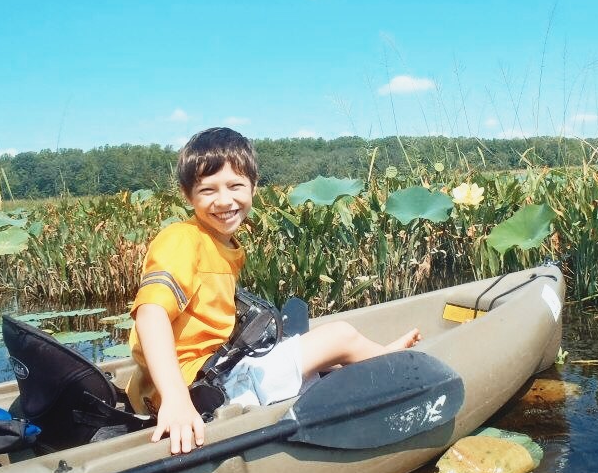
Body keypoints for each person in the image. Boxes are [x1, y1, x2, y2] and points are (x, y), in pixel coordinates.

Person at [127, 127, 420, 455]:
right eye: (208, 190)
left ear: (253, 186)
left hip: (212, 370)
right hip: (199, 388)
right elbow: (151, 315)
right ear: (187, 195)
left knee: (316, 357)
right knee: (339, 336)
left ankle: (365, 360)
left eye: (236, 186)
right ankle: (396, 364)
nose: (224, 200)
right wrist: (177, 399)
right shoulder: (181, 239)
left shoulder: (220, 243)